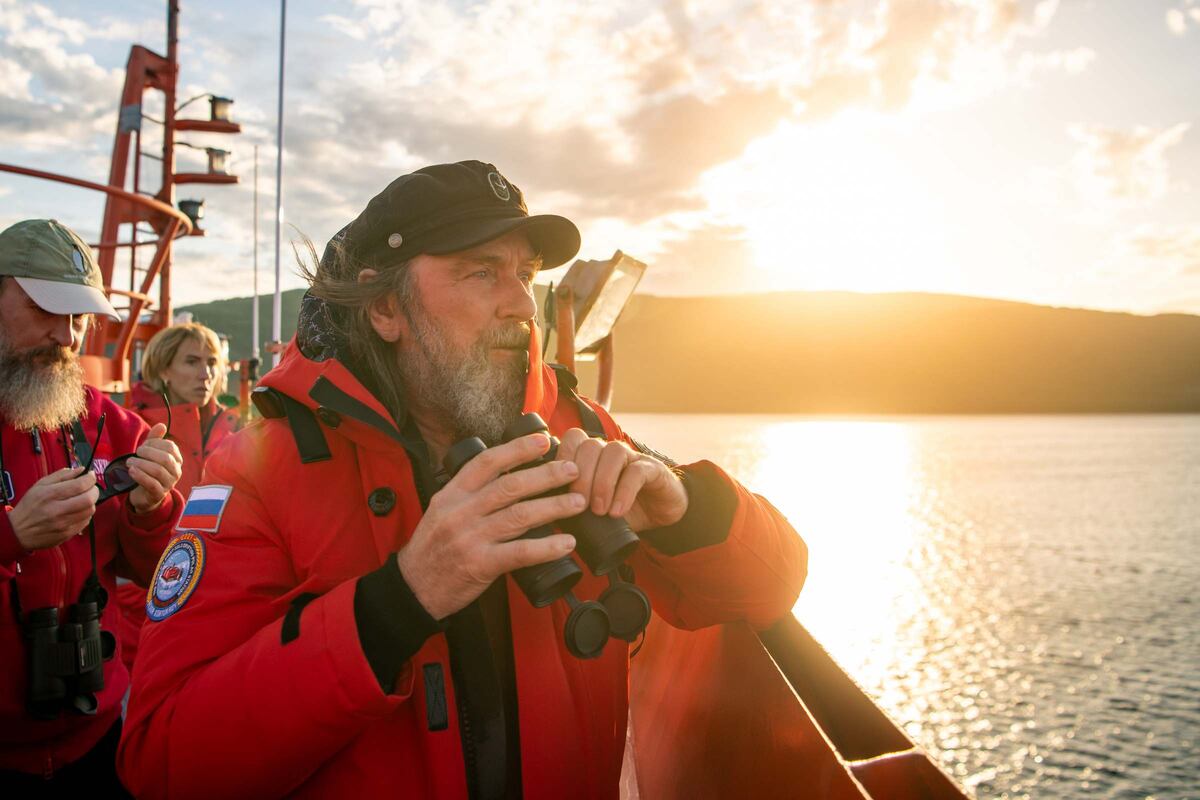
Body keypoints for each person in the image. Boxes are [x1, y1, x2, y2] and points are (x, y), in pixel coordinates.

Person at [119, 161, 809, 799]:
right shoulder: (262, 469)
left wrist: (684, 507)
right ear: (385, 309)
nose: (520, 304)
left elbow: (775, 582)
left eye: (525, 272)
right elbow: (163, 760)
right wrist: (400, 601)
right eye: (482, 272)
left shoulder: (579, 428)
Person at [0, 219, 184, 792]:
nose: (68, 335)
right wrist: (12, 536)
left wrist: (153, 508)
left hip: (95, 733)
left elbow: (158, 572)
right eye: (46, 309)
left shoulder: (111, 423)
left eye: (79, 315)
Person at [114, 322, 241, 670]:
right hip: (145, 607)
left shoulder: (234, 429)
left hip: (217, 605)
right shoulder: (133, 430)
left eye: (213, 362)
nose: (206, 373)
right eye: (192, 361)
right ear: (164, 369)